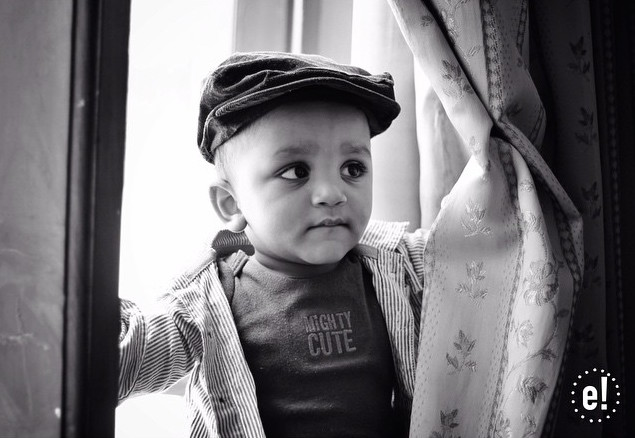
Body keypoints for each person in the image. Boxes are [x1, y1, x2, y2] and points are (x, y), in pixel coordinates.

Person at [118, 51, 428, 438]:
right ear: (231, 203)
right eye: (296, 171)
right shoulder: (207, 301)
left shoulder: (399, 262)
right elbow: (114, 361)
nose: (333, 193)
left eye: (353, 168)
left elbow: (481, 242)